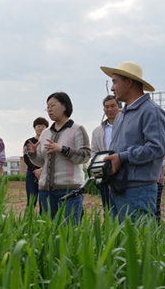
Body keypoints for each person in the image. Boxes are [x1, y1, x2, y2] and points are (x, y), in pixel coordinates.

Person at [100, 61, 165, 223]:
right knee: (120, 243)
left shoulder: (151, 111)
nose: (112, 88)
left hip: (138, 191)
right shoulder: (121, 115)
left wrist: (122, 157)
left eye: (115, 82)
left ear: (129, 82)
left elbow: (156, 148)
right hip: (118, 187)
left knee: (138, 244)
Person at [26, 92, 91, 223]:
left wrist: (63, 149)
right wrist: (33, 154)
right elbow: (41, 161)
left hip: (69, 191)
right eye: (47, 107)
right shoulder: (46, 133)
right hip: (46, 192)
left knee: (69, 232)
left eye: (52, 105)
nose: (49, 109)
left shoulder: (77, 129)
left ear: (65, 106)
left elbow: (85, 156)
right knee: (49, 232)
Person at [90, 95, 122, 212]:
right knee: (108, 209)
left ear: (120, 107)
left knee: (123, 210)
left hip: (123, 174)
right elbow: (94, 152)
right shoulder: (97, 131)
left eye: (113, 106)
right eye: (106, 107)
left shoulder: (125, 126)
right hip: (104, 175)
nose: (109, 109)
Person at [22, 117, 49, 212]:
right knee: (31, 201)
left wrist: (42, 170)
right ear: (34, 128)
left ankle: (42, 224)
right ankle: (28, 222)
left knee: (44, 201)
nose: (41, 128)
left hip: (45, 174)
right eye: (38, 126)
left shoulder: (48, 142)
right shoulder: (28, 142)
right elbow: (26, 157)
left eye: (43, 126)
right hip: (31, 174)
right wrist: (35, 170)